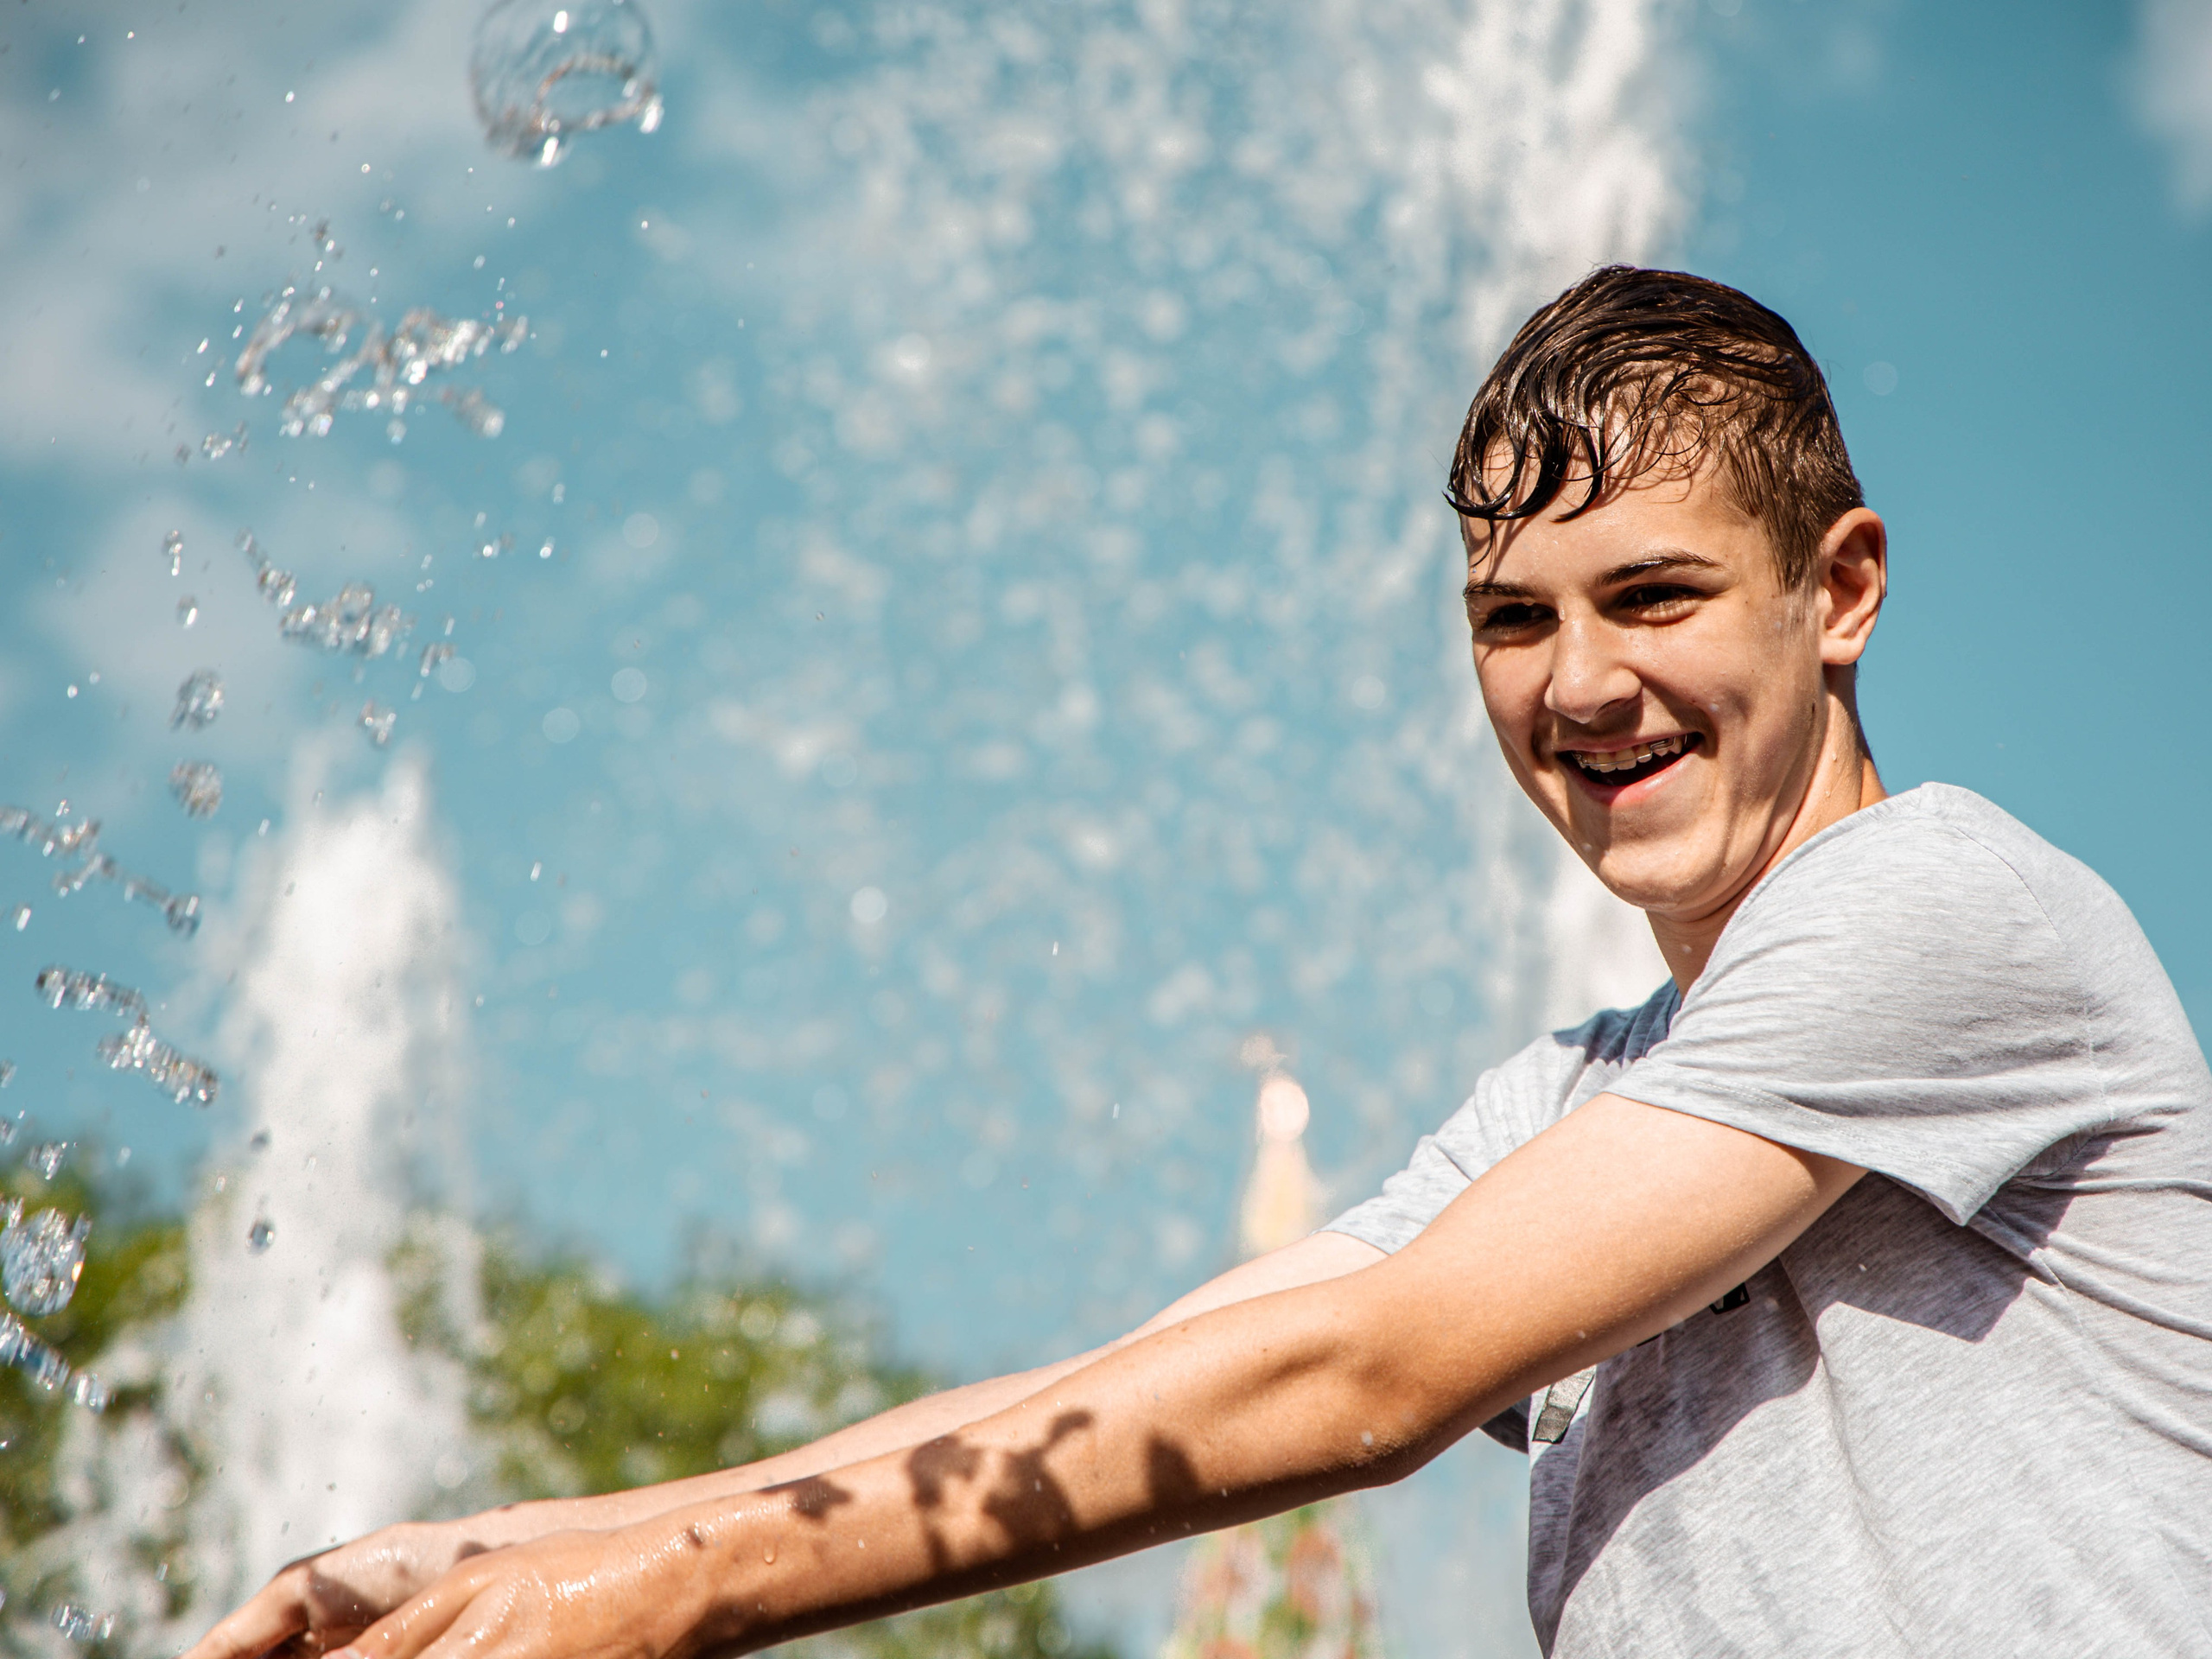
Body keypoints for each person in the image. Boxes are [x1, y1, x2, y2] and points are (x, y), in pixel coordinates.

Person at [184, 267, 2212, 1659]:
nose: (1579, 683)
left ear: (1836, 590)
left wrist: (675, 1601)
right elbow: (1120, 1389)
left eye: (1653, 595)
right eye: (1511, 619)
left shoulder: (1941, 913)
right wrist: (511, 1552)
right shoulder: (1575, 1093)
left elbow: (1373, 1376)